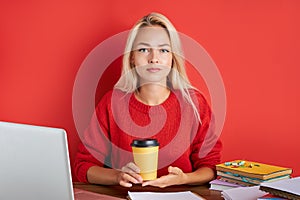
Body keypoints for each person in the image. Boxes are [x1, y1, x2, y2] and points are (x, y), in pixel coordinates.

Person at [74, 12, 222, 188]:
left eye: (164, 50)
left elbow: (211, 167)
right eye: (144, 49)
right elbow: (83, 167)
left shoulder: (194, 104)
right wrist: (117, 176)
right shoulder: (112, 103)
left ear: (173, 59)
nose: (154, 58)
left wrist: (183, 179)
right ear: (132, 58)